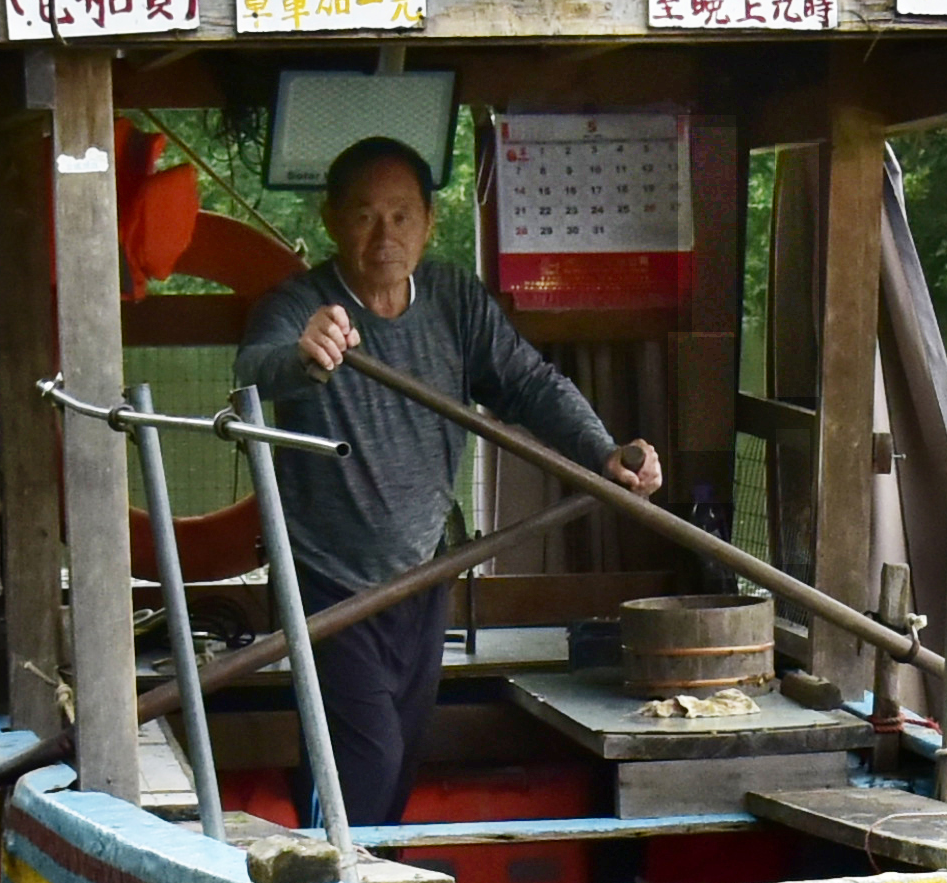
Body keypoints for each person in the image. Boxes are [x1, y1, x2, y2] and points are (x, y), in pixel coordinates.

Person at [235, 135, 663, 828]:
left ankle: (354, 877)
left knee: (400, 752)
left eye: (402, 215)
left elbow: (527, 384)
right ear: (330, 220)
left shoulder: (452, 300)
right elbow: (253, 371)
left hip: (427, 568)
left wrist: (600, 452)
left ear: (429, 222)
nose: (384, 235)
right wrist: (303, 355)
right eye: (364, 215)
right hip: (327, 579)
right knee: (369, 754)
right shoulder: (300, 305)